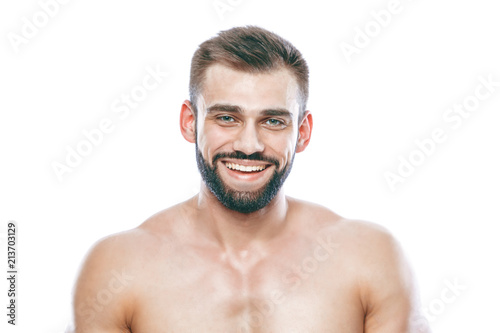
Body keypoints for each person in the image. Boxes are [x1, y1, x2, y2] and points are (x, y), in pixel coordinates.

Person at [68, 26, 430, 333]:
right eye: (227, 118)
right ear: (189, 122)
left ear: (302, 133)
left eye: (273, 121)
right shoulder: (117, 267)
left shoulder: (371, 259)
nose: (249, 145)